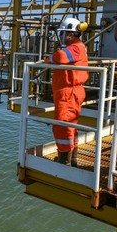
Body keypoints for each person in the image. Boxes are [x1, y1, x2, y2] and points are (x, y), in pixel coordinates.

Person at [45, 17, 89, 166]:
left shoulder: (76, 47)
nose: (62, 36)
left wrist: (49, 58)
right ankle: (72, 158)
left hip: (69, 92)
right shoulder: (78, 47)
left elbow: (62, 57)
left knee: (62, 125)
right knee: (69, 125)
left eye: (63, 33)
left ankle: (65, 161)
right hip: (69, 92)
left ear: (70, 34)